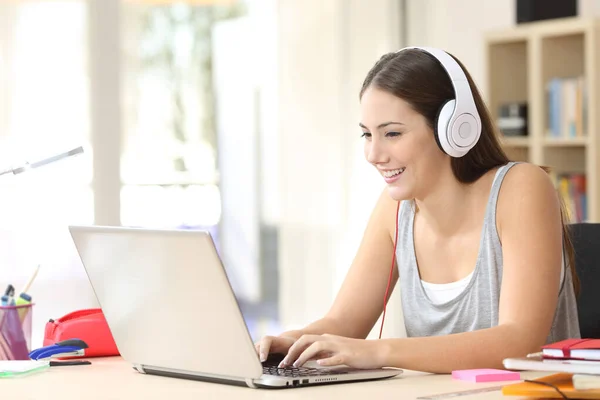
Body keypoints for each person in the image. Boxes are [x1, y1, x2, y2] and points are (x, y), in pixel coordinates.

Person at [255, 47, 581, 374]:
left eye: (392, 133)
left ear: (454, 128)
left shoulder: (521, 188)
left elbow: (519, 341)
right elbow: (344, 322)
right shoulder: (395, 209)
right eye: (367, 134)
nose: (373, 153)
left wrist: (379, 351)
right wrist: (292, 343)